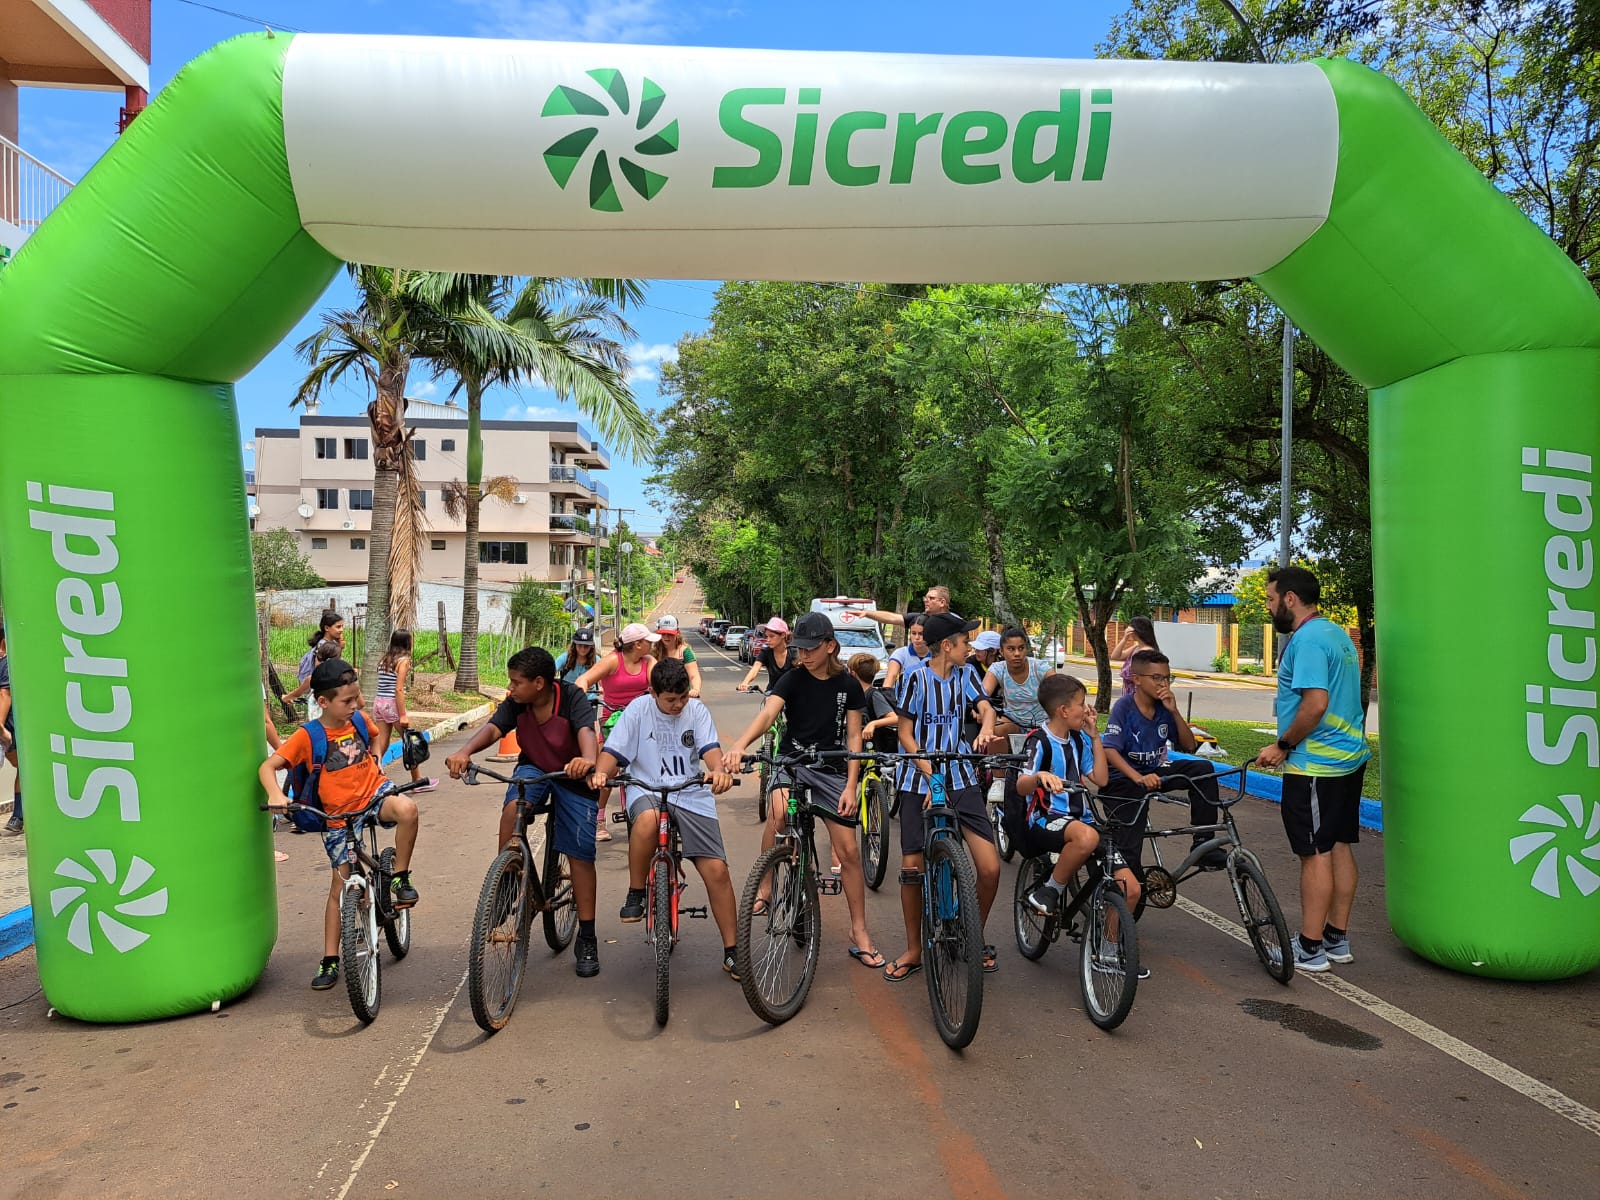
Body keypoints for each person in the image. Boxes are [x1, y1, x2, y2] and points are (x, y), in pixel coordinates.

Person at [726, 612, 883, 969]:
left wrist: (851, 785)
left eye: (812, 648)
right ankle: (766, 886)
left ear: (830, 646)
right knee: (779, 812)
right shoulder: (792, 679)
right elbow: (768, 715)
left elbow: (854, 737)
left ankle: (859, 931)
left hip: (832, 769)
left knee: (849, 852)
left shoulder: (848, 685)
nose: (805, 654)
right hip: (792, 763)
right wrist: (739, 744)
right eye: (800, 648)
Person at [260, 658, 421, 991]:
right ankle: (330, 958)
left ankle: (399, 876)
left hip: (374, 794)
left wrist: (376, 757)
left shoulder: (358, 720)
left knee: (407, 809)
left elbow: (375, 738)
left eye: (356, 698)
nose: (355, 705)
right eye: (347, 701)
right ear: (323, 701)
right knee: (340, 887)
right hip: (337, 816)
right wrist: (276, 794)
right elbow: (268, 766)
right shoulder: (308, 736)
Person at [446, 646, 604, 977]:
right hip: (534, 767)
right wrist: (464, 751)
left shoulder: (571, 697)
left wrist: (588, 760)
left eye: (516, 682)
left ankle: (587, 937)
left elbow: (586, 731)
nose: (511, 688)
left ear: (539, 683)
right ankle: (507, 881)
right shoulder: (517, 702)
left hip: (572, 772)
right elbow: (494, 729)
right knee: (512, 811)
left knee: (579, 854)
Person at [588, 658, 741, 979]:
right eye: (670, 699)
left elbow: (710, 751)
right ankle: (636, 891)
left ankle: (733, 950)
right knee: (646, 820)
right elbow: (613, 752)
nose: (678, 705)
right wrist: (601, 773)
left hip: (689, 791)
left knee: (717, 870)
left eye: (682, 697)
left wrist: (718, 771)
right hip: (646, 787)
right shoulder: (637, 710)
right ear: (653, 692)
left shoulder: (696, 711)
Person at [1255, 565, 1370, 973]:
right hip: (1348, 759)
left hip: (1316, 765)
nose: (1269, 607)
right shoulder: (1336, 634)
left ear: (1290, 598)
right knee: (1338, 845)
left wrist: (1282, 745)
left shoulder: (1305, 641)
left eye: (1271, 599)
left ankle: (1310, 947)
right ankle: (1337, 938)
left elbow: (1316, 703)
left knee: (1314, 853)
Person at [884, 612, 1000, 982]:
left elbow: (985, 708)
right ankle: (914, 949)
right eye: (966, 642)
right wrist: (929, 774)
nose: (971, 648)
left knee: (990, 868)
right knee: (912, 867)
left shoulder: (966, 674)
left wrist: (986, 727)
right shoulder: (915, 678)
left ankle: (971, 934)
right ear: (947, 645)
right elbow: (905, 734)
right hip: (918, 778)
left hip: (961, 775)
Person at [1099, 649, 1227, 922]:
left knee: (1202, 770)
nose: (1163, 684)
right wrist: (1137, 778)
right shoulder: (1124, 708)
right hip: (1123, 780)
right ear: (1137, 679)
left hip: (1153, 771)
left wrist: (1174, 711)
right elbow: (1109, 750)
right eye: (1156, 678)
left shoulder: (1163, 708)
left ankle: (1203, 842)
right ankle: (1121, 902)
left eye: (1167, 678)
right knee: (1129, 847)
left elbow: (1189, 746)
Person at [1018, 674, 1109, 915]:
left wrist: (1095, 737)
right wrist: (1039, 776)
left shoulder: (1077, 740)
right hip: (1047, 818)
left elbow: (1101, 779)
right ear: (1064, 711)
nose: (1087, 709)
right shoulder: (1039, 741)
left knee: (1130, 888)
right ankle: (1049, 890)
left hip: (1081, 819)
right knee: (1087, 838)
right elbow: (1021, 785)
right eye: (1081, 703)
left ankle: (1108, 937)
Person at [576, 622, 659, 841]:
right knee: (606, 771)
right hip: (613, 721)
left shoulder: (649, 661)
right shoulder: (613, 660)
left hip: (642, 721)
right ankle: (599, 818)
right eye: (648, 641)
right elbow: (584, 679)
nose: (651, 645)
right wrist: (581, 692)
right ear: (638, 644)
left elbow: (659, 684)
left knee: (653, 765)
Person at [371, 630, 438, 792]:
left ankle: (372, 777)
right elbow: (399, 689)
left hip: (379, 703)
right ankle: (417, 781)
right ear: (407, 643)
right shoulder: (403, 661)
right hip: (391, 704)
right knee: (411, 742)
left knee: (381, 744)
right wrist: (402, 715)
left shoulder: (385, 660)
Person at [985, 625, 1054, 736]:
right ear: (1001, 651)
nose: (1017, 654)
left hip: (1043, 724)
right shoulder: (998, 669)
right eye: (1011, 649)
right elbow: (982, 695)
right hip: (1012, 721)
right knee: (995, 729)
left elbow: (1061, 690)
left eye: (1021, 648)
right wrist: (981, 710)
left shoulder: (1040, 668)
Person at [285, 610, 345, 704]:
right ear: (327, 628)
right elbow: (319, 669)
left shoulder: (330, 643)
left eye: (342, 626)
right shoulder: (323, 646)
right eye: (338, 627)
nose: (341, 630)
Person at [855, 585, 953, 632]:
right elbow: (892, 618)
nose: (926, 601)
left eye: (931, 598)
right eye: (925, 598)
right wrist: (867, 613)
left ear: (942, 602)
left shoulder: (955, 623)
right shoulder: (918, 619)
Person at [736, 617, 796, 692]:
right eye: (767, 636)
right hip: (773, 692)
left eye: (772, 636)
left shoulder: (794, 652)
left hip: (793, 693)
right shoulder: (766, 652)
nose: (768, 640)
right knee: (768, 698)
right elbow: (755, 668)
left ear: (783, 635)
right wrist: (745, 682)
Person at [651, 614, 703, 698]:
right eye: (663, 634)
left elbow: (694, 675)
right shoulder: (654, 652)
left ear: (677, 632)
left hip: (681, 696)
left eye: (670, 634)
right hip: (662, 697)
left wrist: (695, 690)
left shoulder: (685, 652)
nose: (666, 637)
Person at [0, 625, 19, 837]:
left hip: (8, 726)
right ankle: (19, 816)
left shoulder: (6, 662)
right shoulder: (5, 663)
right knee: (21, 765)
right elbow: (5, 694)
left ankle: (19, 816)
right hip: (6, 727)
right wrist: (1, 728)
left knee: (20, 765)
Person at [1112, 616, 1160, 698]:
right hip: (1129, 694)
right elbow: (1115, 656)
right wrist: (1124, 639)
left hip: (1137, 695)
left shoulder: (1147, 652)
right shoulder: (1136, 647)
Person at [881, 614, 929, 695]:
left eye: (921, 634)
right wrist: (886, 696)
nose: (917, 638)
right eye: (913, 633)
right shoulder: (900, 653)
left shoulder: (937, 655)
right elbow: (891, 677)